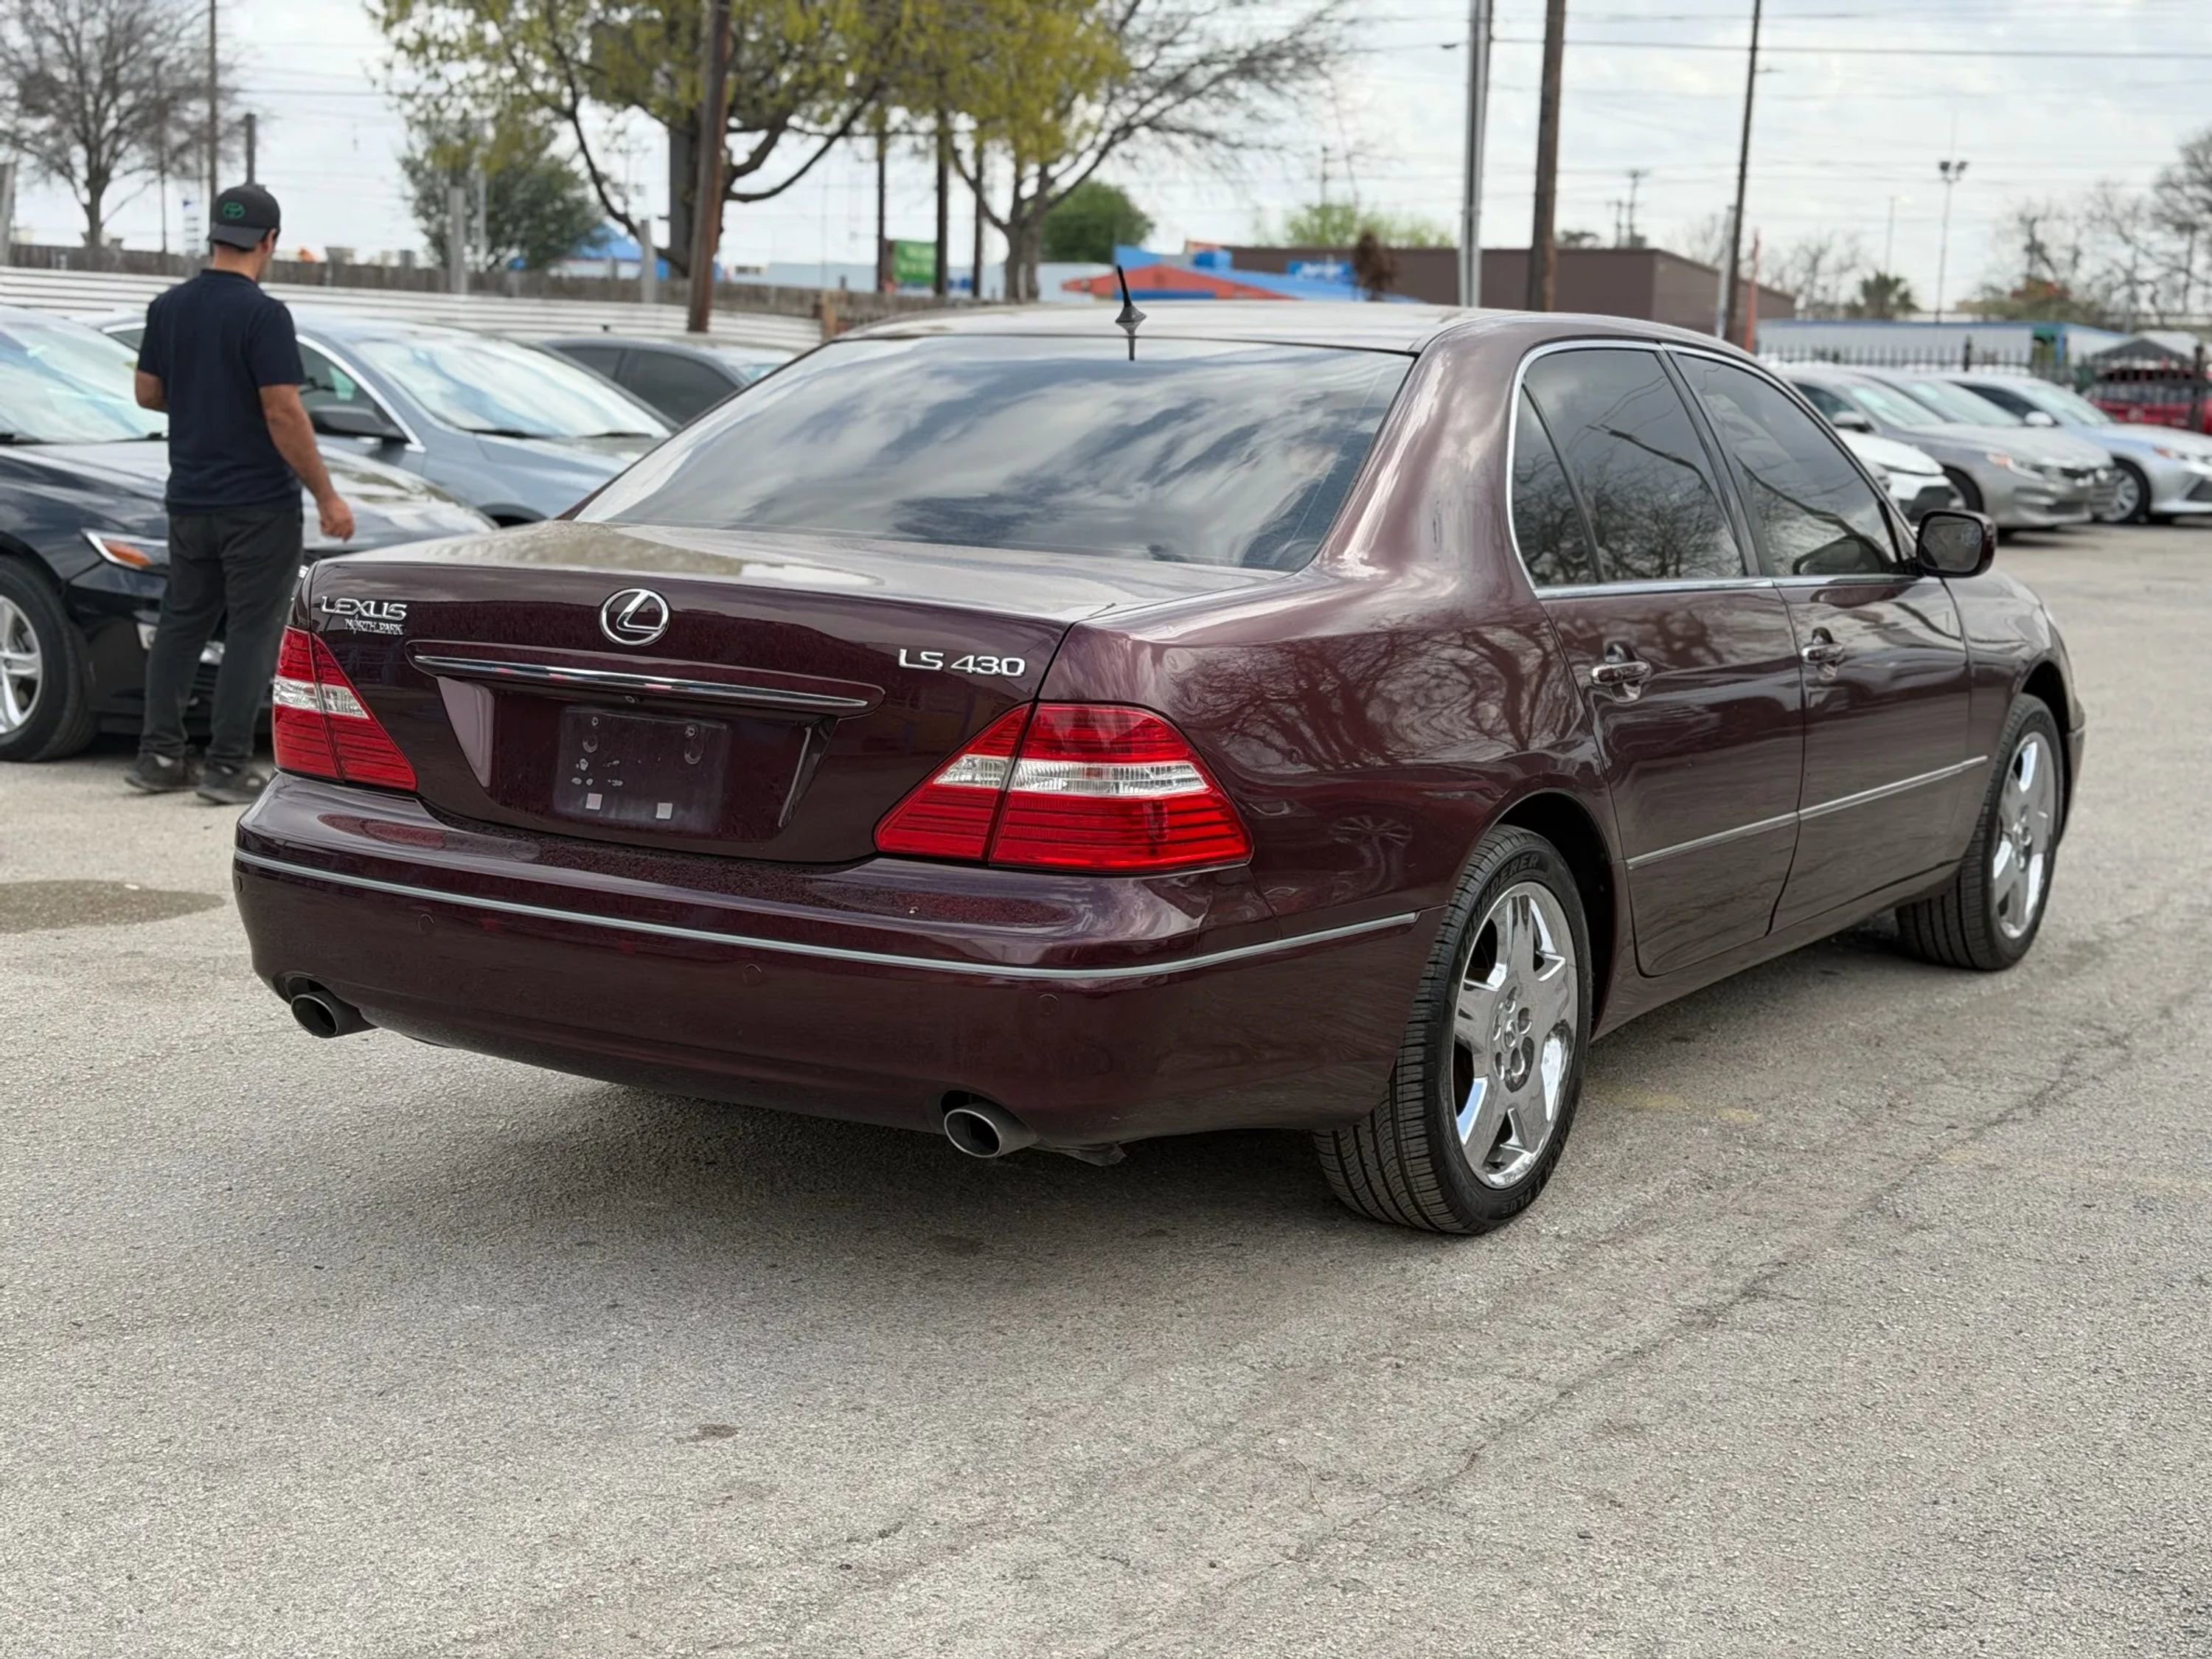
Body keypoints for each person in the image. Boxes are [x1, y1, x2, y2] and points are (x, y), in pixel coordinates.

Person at [123, 182, 354, 804]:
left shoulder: (168, 307)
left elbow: (147, 392)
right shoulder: (264, 315)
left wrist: (202, 401)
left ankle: (159, 757)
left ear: (215, 237)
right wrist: (327, 497)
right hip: (258, 504)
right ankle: (227, 767)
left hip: (189, 499)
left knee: (181, 625)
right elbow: (283, 411)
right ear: (269, 241)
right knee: (252, 630)